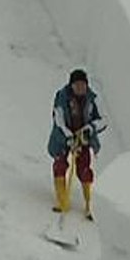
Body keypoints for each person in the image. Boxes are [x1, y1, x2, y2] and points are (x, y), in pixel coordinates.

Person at [47, 69, 106, 219]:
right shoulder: (62, 97)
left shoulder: (92, 99)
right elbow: (58, 119)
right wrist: (68, 137)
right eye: (77, 85)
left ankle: (90, 205)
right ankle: (62, 201)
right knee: (60, 164)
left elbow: (103, 120)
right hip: (63, 137)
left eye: (83, 85)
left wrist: (89, 129)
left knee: (85, 169)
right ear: (71, 85)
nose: (80, 88)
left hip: (83, 138)